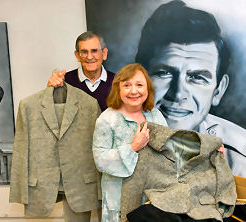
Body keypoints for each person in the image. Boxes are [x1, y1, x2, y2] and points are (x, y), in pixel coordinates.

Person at [135, 0, 246, 177]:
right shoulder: (115, 137)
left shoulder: (241, 159)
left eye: (197, 77)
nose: (178, 94)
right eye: (164, 72)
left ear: (218, 90)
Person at [92, 63, 168, 222]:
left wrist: (210, 149)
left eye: (139, 85)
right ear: (118, 89)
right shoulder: (107, 120)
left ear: (147, 88)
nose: (134, 91)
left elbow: (171, 148)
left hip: (150, 198)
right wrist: (133, 147)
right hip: (118, 201)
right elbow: (100, 160)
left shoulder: (155, 115)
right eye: (127, 85)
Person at [48, 31, 115, 111]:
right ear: (77, 56)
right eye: (84, 52)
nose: (89, 57)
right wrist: (50, 91)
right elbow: (52, 112)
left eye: (94, 51)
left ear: (104, 53)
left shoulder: (118, 82)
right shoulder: (64, 82)